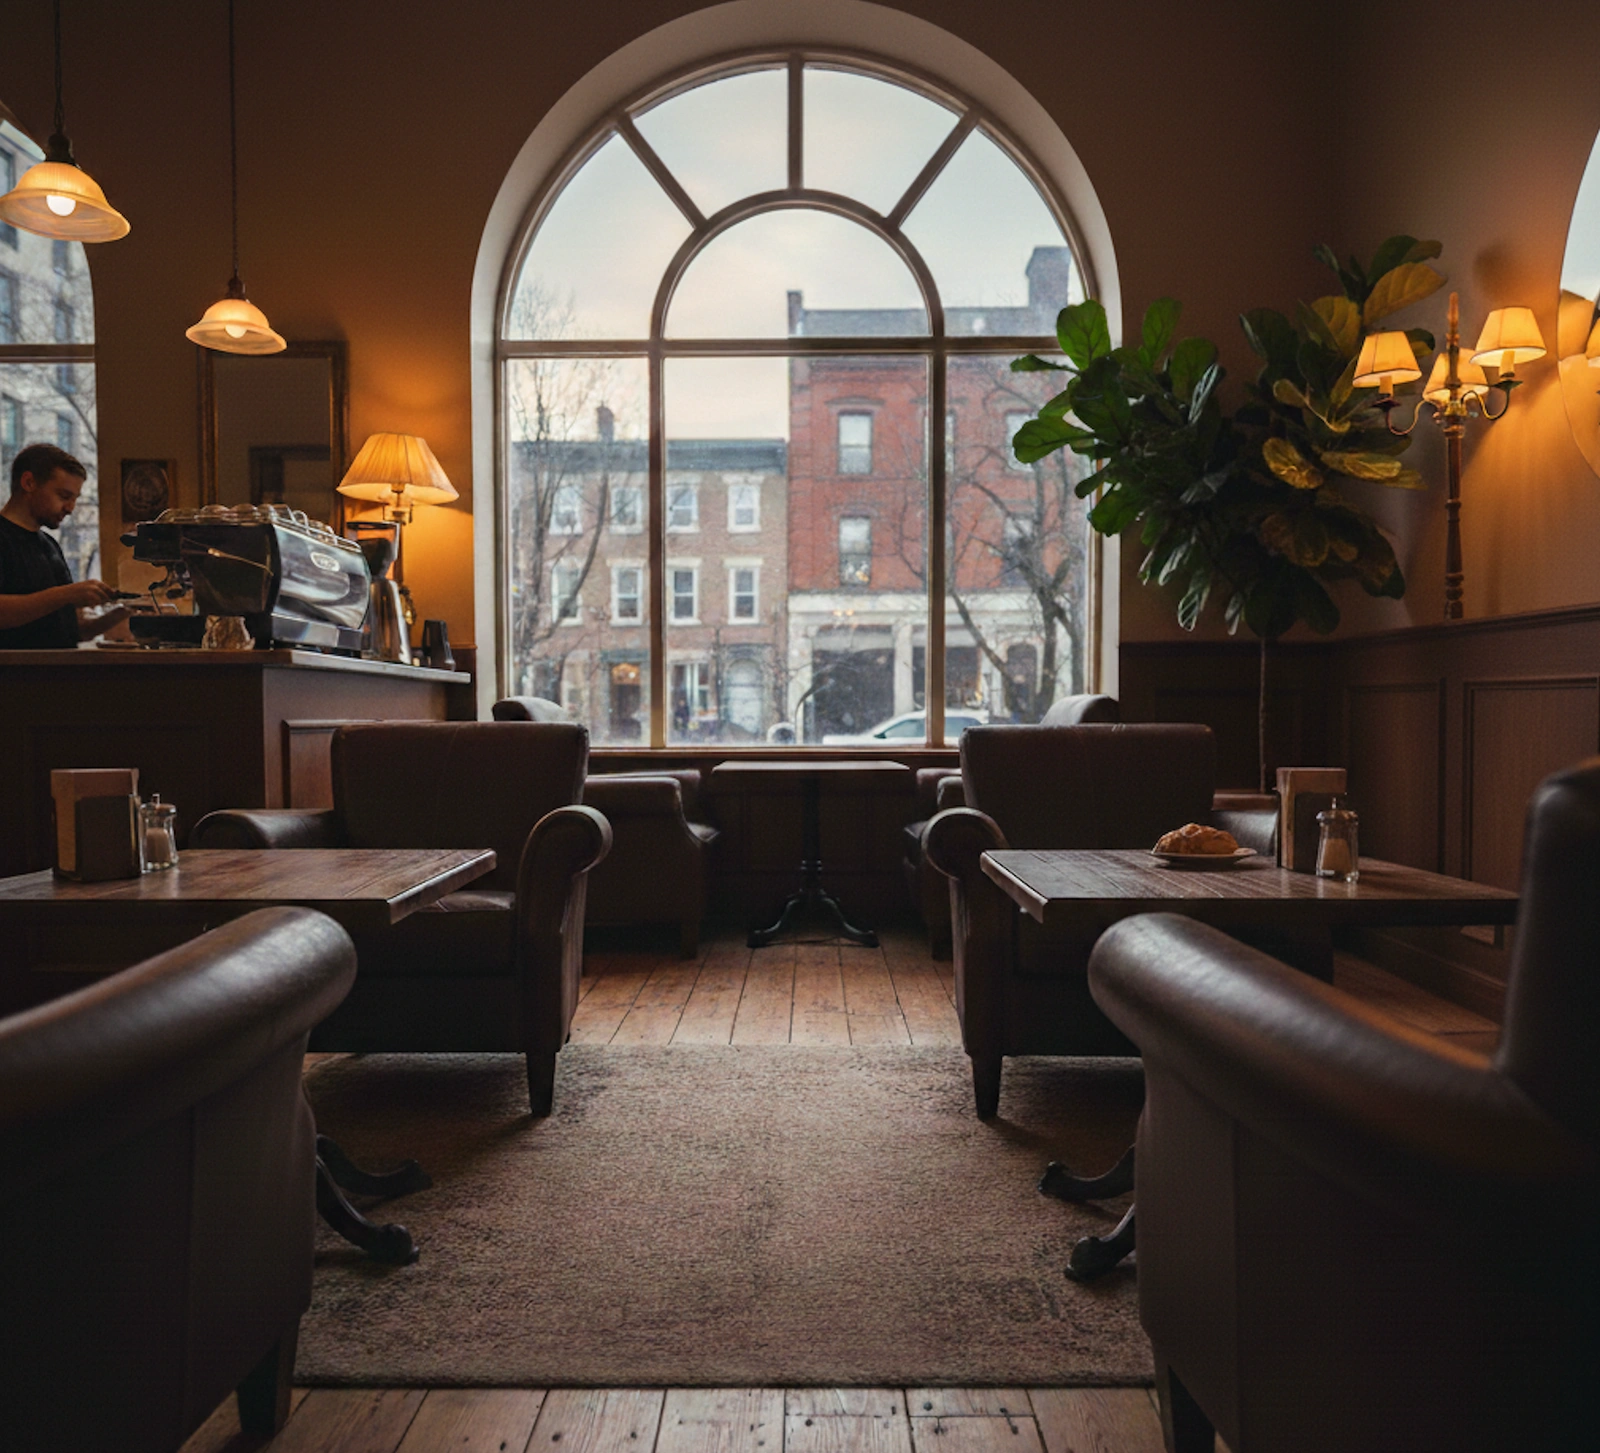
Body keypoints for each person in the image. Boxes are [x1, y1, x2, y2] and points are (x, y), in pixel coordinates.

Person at [0, 443, 128, 649]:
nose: (70, 508)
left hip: (59, 676)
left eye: (74, 499)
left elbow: (72, 631)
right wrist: (66, 594)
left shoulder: (49, 545)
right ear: (29, 482)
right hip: (14, 678)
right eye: (64, 496)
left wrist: (123, 613)